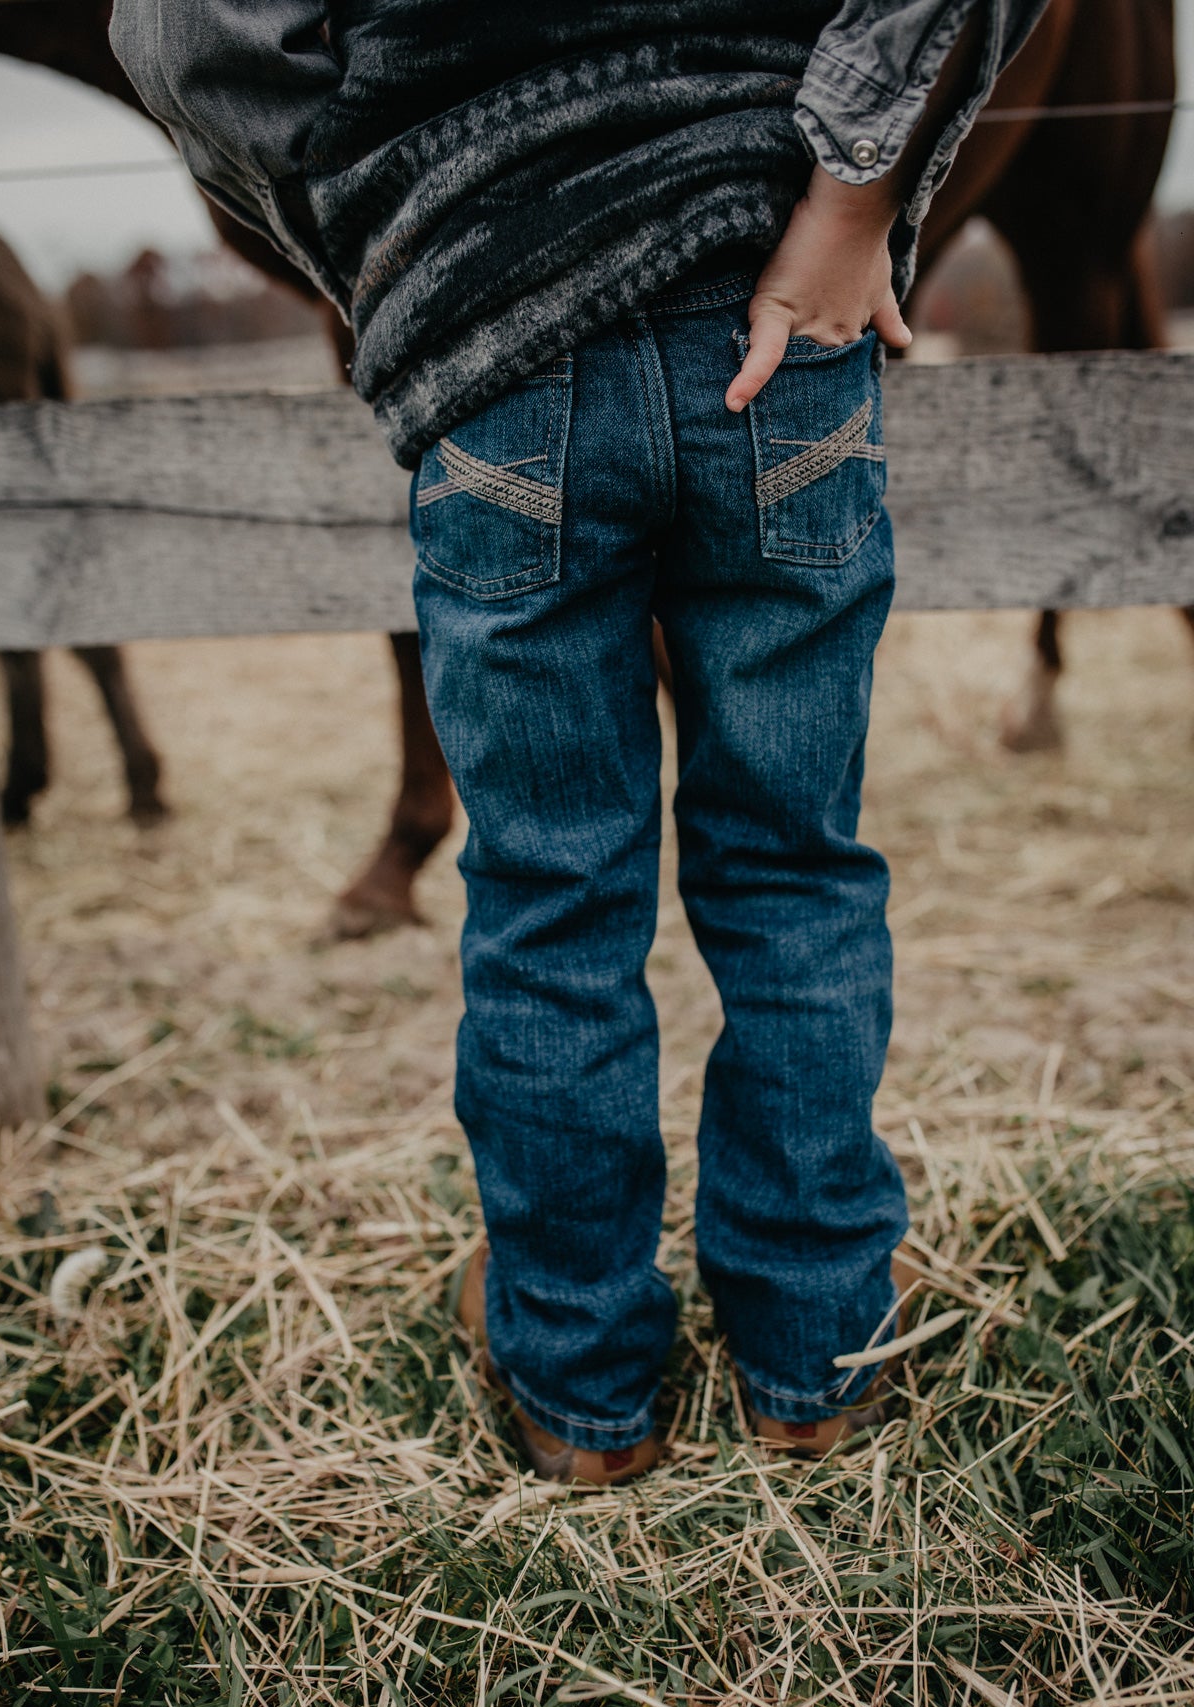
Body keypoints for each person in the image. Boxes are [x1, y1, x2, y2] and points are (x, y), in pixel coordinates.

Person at [110, 0, 1047, 1485]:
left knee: (550, 892)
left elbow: (182, 35)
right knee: (794, 866)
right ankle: (815, 1359)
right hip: (779, 303)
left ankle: (580, 1385)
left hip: (497, 343)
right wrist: (855, 200)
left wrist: (404, 232)